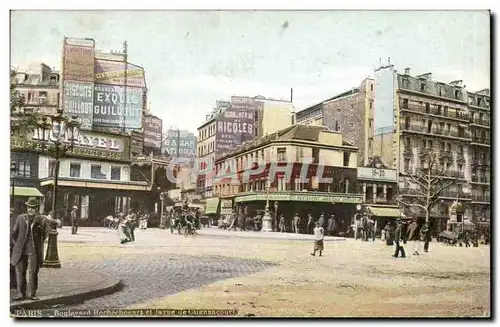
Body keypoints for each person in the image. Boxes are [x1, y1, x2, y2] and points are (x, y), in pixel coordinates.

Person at [11, 197, 50, 301]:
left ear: (37, 208)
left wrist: (37, 244)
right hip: (20, 249)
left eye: (33, 207)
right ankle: (20, 294)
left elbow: (45, 234)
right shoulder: (20, 218)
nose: (30, 209)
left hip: (34, 250)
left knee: (33, 272)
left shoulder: (42, 220)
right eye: (29, 207)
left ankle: (31, 294)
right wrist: (17, 244)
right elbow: (14, 233)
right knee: (19, 272)